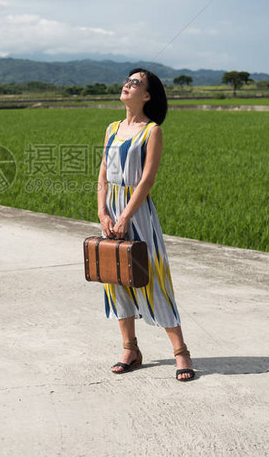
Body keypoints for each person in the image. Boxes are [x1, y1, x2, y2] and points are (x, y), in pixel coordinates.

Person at [96, 68, 195, 382]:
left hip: (136, 212)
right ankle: (130, 349)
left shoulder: (152, 131)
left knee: (153, 277)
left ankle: (181, 352)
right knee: (116, 277)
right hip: (111, 209)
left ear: (148, 95)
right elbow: (103, 174)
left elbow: (147, 179)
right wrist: (103, 213)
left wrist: (125, 215)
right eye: (126, 80)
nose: (127, 85)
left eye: (135, 83)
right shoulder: (112, 128)